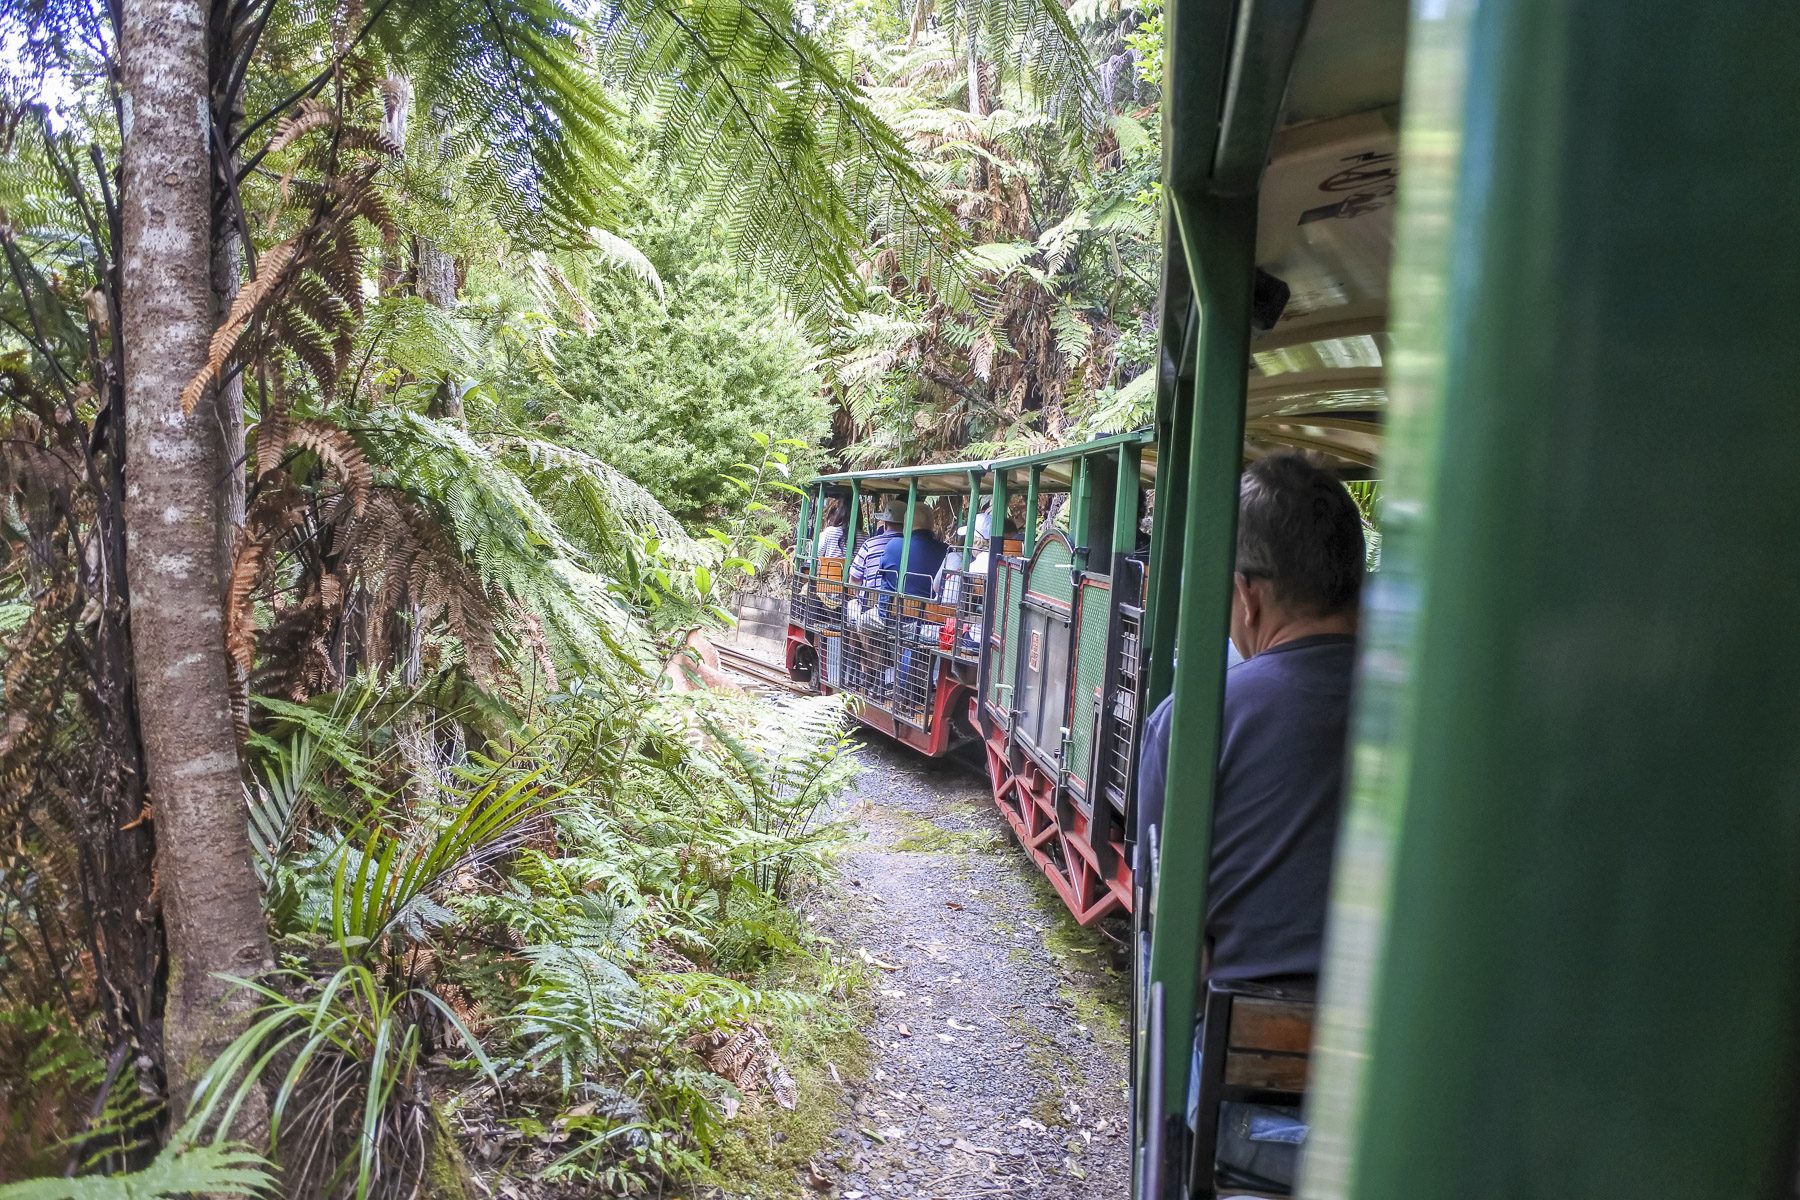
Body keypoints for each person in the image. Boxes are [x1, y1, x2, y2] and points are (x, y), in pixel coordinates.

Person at [1134, 451, 1364, 1186]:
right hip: (1412, 1104)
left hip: (1247, 1124)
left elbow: (1168, 937)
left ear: (1247, 595)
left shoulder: (1196, 722)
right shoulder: (1440, 719)